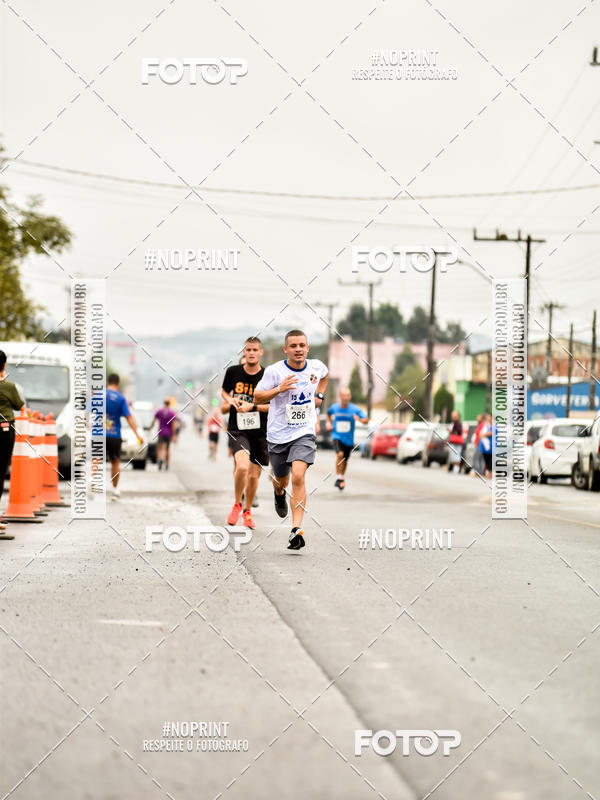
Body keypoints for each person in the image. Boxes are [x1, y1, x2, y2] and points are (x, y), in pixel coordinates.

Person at [254, 329, 329, 551]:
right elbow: (257, 396)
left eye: (302, 345)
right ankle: (278, 494)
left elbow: (325, 376)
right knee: (282, 481)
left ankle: (296, 530)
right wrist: (279, 389)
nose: (298, 349)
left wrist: (319, 397)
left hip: (304, 432)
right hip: (278, 435)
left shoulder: (316, 366)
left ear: (307, 348)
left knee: (298, 475)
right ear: (285, 349)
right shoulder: (274, 371)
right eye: (293, 346)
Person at [221, 337, 270, 529]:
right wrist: (231, 401)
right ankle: (237, 504)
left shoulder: (268, 376)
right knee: (241, 467)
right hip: (238, 428)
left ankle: (247, 511)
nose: (251, 353)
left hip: (260, 431)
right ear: (244, 351)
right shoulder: (233, 371)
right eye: (248, 349)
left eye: (255, 350)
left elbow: (274, 404)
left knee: (253, 476)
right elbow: (224, 391)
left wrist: (254, 406)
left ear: (261, 352)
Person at [106, 373, 144, 500]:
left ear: (107, 382)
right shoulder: (121, 399)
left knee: (95, 460)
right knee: (115, 462)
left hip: (98, 434)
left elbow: (87, 412)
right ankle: (115, 490)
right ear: (117, 384)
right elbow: (129, 418)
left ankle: (92, 487)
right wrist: (138, 435)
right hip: (114, 435)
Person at [0, 350, 24, 540]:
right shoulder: (8, 387)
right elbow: (19, 404)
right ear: (4, 366)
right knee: (0, 471)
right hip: (4, 430)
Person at [326, 387, 369, 490]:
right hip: (337, 436)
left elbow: (366, 420)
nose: (346, 398)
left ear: (350, 397)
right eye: (344, 396)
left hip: (349, 439)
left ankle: (341, 477)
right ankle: (339, 478)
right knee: (340, 454)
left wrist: (359, 419)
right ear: (340, 397)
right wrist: (328, 423)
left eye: (348, 396)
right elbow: (328, 414)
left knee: (345, 459)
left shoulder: (355, 409)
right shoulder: (334, 408)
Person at [150, 398, 178, 471]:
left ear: (164, 403)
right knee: (168, 449)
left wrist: (150, 428)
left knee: (160, 448)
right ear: (169, 404)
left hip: (161, 432)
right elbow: (173, 425)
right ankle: (167, 465)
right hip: (169, 433)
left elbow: (154, 421)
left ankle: (160, 459)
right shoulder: (172, 413)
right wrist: (174, 435)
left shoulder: (159, 411)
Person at [478, 412, 493, 477]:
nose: (487, 418)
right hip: (484, 446)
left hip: (491, 446)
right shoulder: (486, 425)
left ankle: (490, 473)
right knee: (486, 459)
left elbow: (490, 433)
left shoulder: (494, 425)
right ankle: (488, 472)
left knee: (490, 459)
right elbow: (480, 432)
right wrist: (482, 434)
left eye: (489, 416)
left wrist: (483, 435)